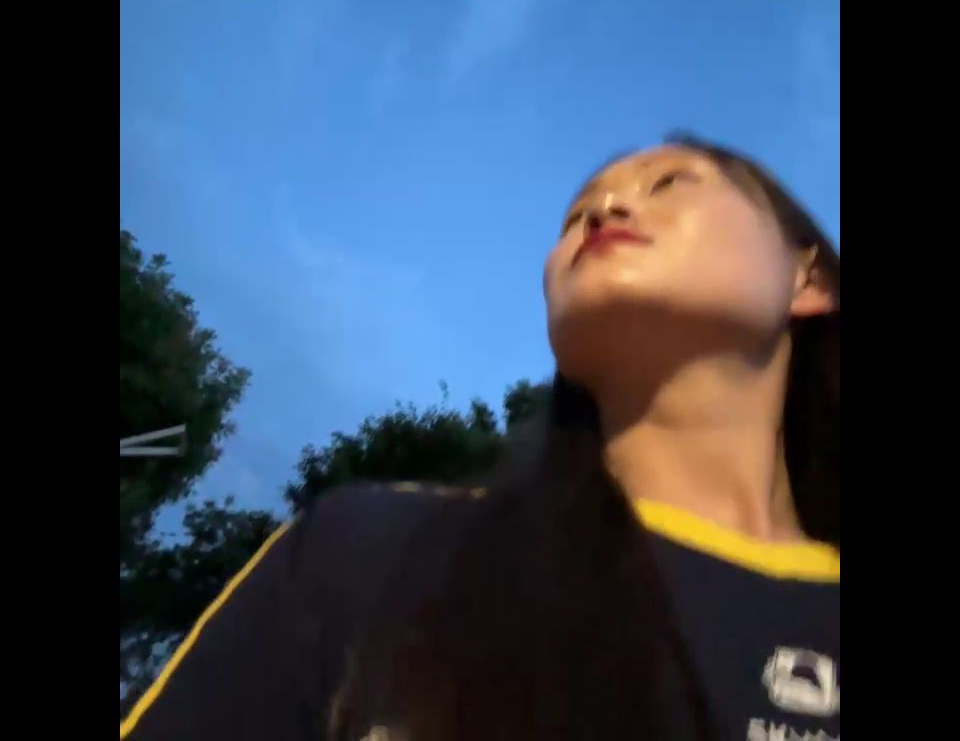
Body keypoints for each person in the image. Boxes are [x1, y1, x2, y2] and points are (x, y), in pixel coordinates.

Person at [120, 134, 840, 741]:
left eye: (668, 183)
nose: (603, 211)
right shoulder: (369, 551)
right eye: (574, 215)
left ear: (807, 277)